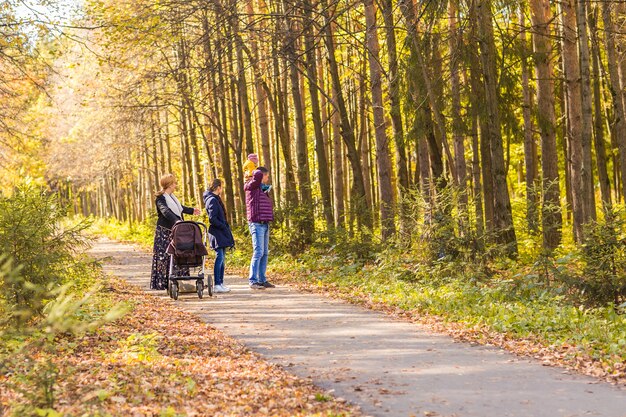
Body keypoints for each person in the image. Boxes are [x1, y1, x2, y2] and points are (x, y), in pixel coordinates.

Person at [150, 174, 200, 290]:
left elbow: (179, 208)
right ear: (169, 184)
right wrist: (177, 220)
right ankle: (164, 282)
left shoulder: (172, 197)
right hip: (165, 232)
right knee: (165, 256)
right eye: (174, 183)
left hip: (175, 230)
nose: (175, 185)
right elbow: (165, 211)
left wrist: (192, 210)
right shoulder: (160, 198)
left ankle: (179, 281)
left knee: (178, 254)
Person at [244, 167, 275, 290]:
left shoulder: (261, 189)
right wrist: (254, 168)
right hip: (256, 223)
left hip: (265, 223)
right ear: (261, 176)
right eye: (266, 176)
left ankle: (262, 279)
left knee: (265, 253)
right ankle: (253, 280)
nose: (267, 179)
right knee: (258, 252)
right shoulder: (251, 186)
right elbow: (256, 176)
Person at [203, 179, 235, 293]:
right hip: (217, 233)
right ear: (218, 188)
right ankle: (217, 284)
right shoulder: (212, 200)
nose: (222, 189)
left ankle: (220, 283)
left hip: (221, 232)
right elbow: (212, 219)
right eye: (221, 187)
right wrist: (223, 226)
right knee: (219, 257)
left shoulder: (216, 199)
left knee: (223, 258)